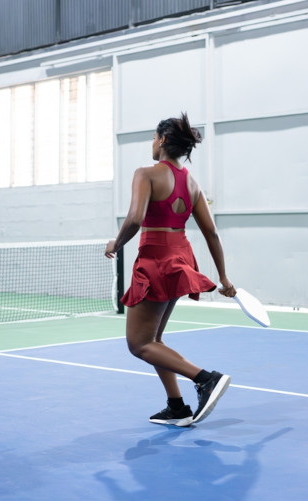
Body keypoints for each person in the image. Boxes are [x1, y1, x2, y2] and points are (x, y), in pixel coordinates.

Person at [105, 112, 236, 427]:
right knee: (155, 339)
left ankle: (205, 379)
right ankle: (176, 406)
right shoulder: (191, 183)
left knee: (139, 344)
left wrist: (116, 243)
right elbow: (211, 233)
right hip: (180, 259)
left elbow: (135, 218)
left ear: (162, 140)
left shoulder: (146, 174)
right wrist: (223, 276)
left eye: (154, 137)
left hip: (156, 262)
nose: (152, 143)